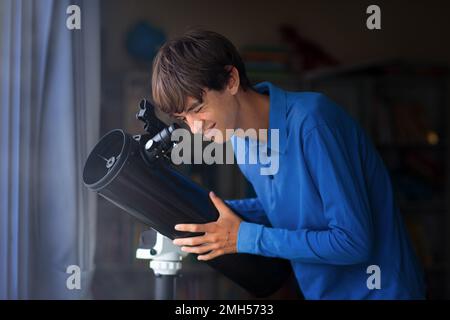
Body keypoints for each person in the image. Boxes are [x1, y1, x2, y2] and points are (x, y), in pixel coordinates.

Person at [150, 29, 425, 299]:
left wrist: (246, 238)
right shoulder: (239, 140)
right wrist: (206, 212)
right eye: (184, 118)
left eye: (198, 109)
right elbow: (287, 207)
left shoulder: (313, 123)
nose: (195, 130)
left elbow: (353, 242)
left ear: (231, 80)